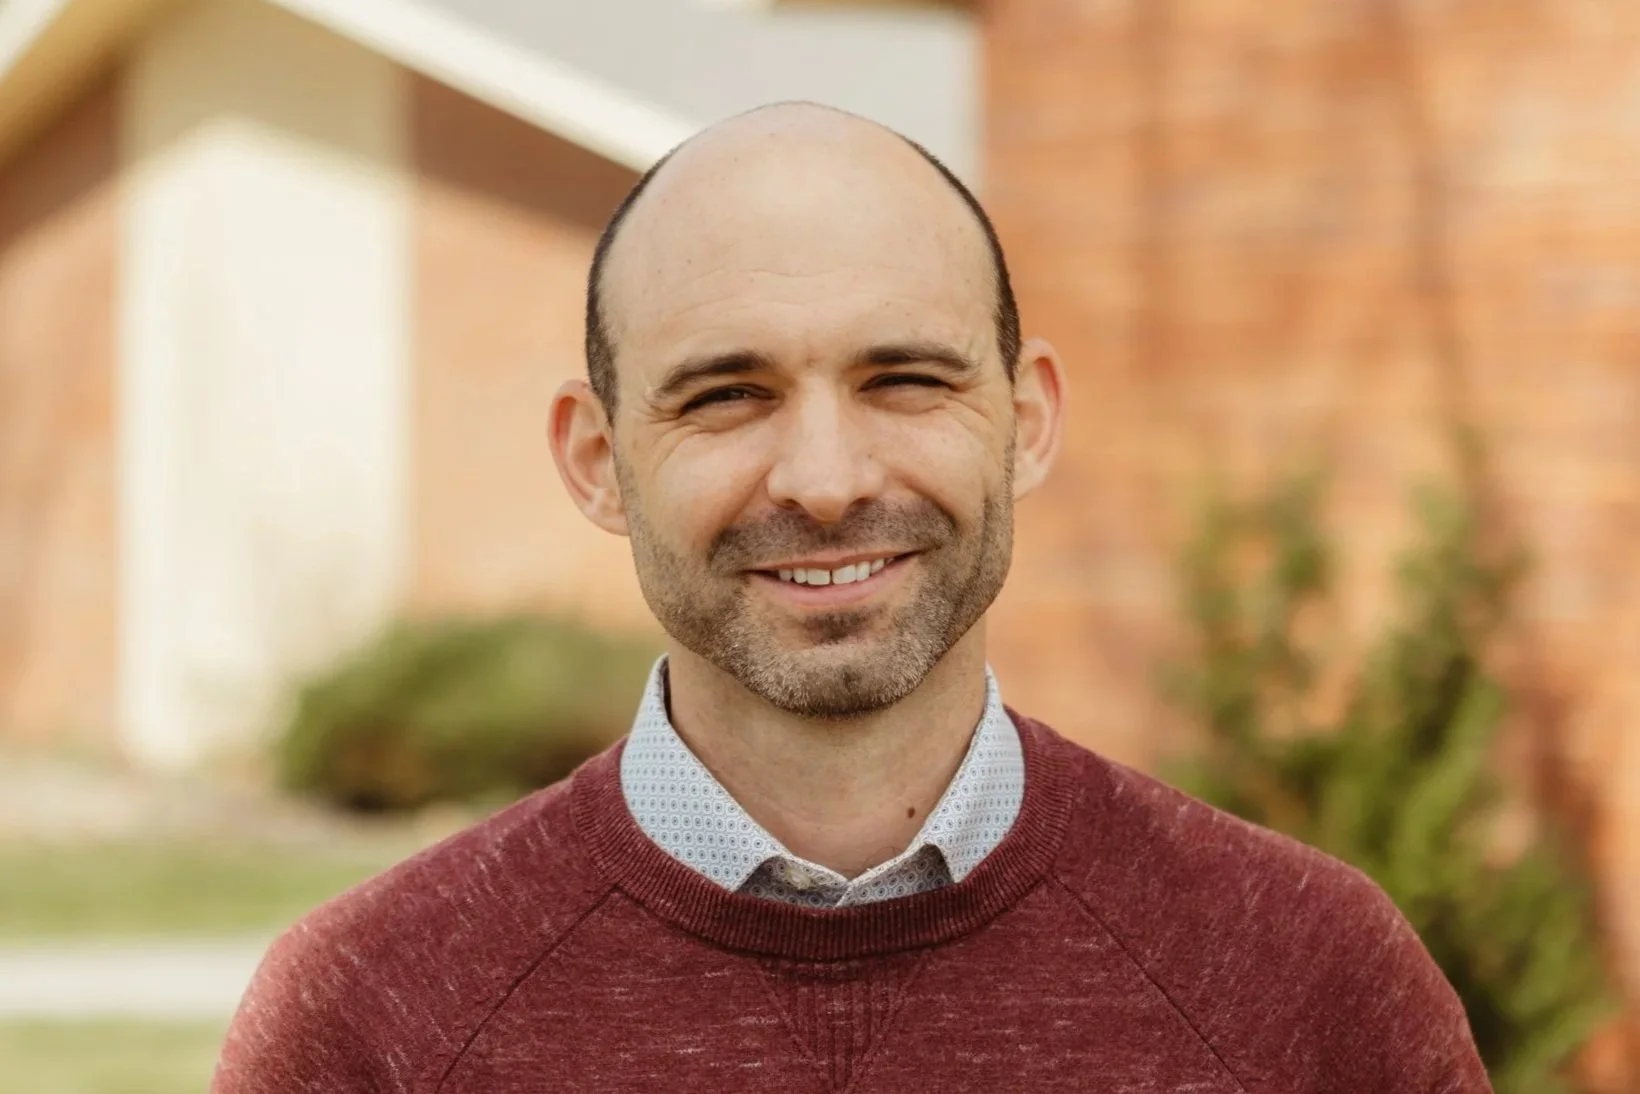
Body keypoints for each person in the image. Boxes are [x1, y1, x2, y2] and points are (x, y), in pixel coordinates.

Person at [211, 103, 1491, 1092]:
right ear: (597, 461)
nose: (824, 481)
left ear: (1026, 419)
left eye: (904, 380)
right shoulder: (371, 1014)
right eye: (726, 394)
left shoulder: (1306, 980)